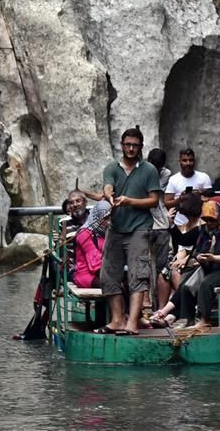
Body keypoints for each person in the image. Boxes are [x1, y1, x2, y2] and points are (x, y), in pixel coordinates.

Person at [95, 127, 161, 335]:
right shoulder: (112, 168)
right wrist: (109, 196)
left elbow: (154, 201)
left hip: (139, 228)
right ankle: (116, 320)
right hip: (116, 228)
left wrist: (130, 201)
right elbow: (107, 186)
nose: (131, 149)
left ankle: (132, 322)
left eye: (135, 145)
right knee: (108, 274)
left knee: (138, 274)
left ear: (141, 147)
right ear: (121, 146)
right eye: (127, 145)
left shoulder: (149, 170)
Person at [150, 200, 220, 329]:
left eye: (212, 220)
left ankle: (204, 319)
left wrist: (215, 258)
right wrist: (172, 225)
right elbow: (184, 240)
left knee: (206, 284)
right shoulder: (204, 230)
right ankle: (186, 318)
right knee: (185, 285)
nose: (209, 223)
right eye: (206, 220)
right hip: (209, 268)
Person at [155, 191, 203, 310]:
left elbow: (191, 244)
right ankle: (162, 309)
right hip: (180, 258)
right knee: (164, 274)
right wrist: (171, 224)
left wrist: (185, 259)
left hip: (196, 261)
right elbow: (180, 242)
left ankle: (186, 306)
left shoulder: (202, 226)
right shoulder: (185, 224)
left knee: (175, 272)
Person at [146, 148, 171, 310]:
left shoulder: (165, 174)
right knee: (144, 266)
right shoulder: (143, 170)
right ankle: (146, 306)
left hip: (161, 225)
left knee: (162, 267)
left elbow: (152, 193)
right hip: (145, 225)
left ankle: (161, 309)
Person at [73, 200, 111, 288]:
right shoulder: (84, 233)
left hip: (105, 272)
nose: (108, 221)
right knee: (114, 286)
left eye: (110, 217)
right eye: (105, 218)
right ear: (97, 216)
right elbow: (95, 264)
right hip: (87, 275)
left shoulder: (106, 232)